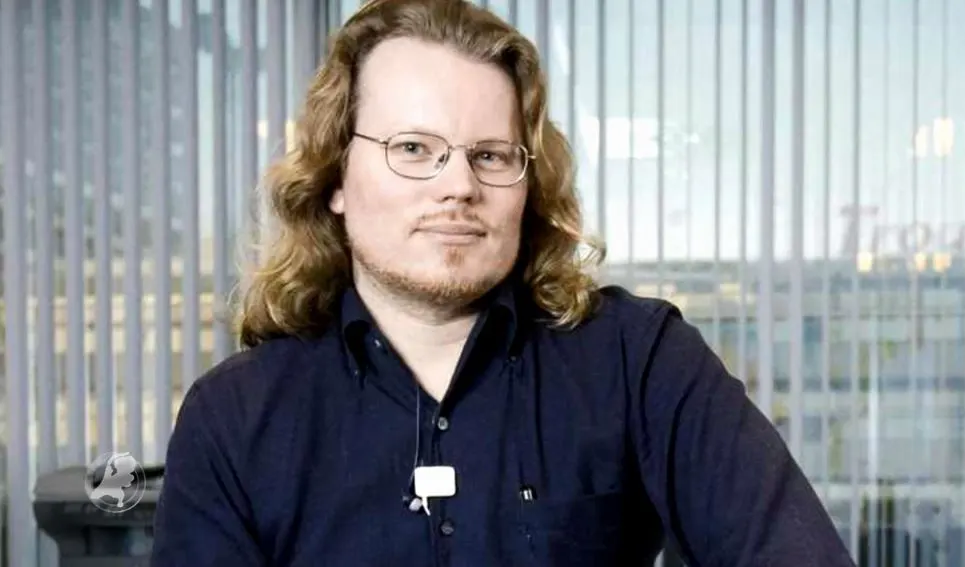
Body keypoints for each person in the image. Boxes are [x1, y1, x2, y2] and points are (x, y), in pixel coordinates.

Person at [151, 0, 856, 565]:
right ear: (336, 177)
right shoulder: (234, 419)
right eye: (414, 149)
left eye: (490, 155)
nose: (458, 185)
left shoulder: (640, 361)